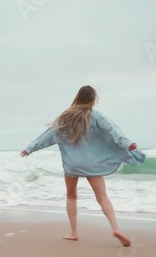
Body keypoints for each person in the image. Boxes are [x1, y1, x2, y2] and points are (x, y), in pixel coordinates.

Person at [20, 85, 146, 247]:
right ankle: (115, 228)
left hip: (73, 164)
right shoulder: (96, 116)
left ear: (77, 98)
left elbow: (48, 136)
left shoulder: (65, 118)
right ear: (93, 100)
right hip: (93, 163)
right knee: (102, 197)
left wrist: (29, 149)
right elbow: (113, 130)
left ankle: (73, 233)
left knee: (71, 196)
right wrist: (127, 144)